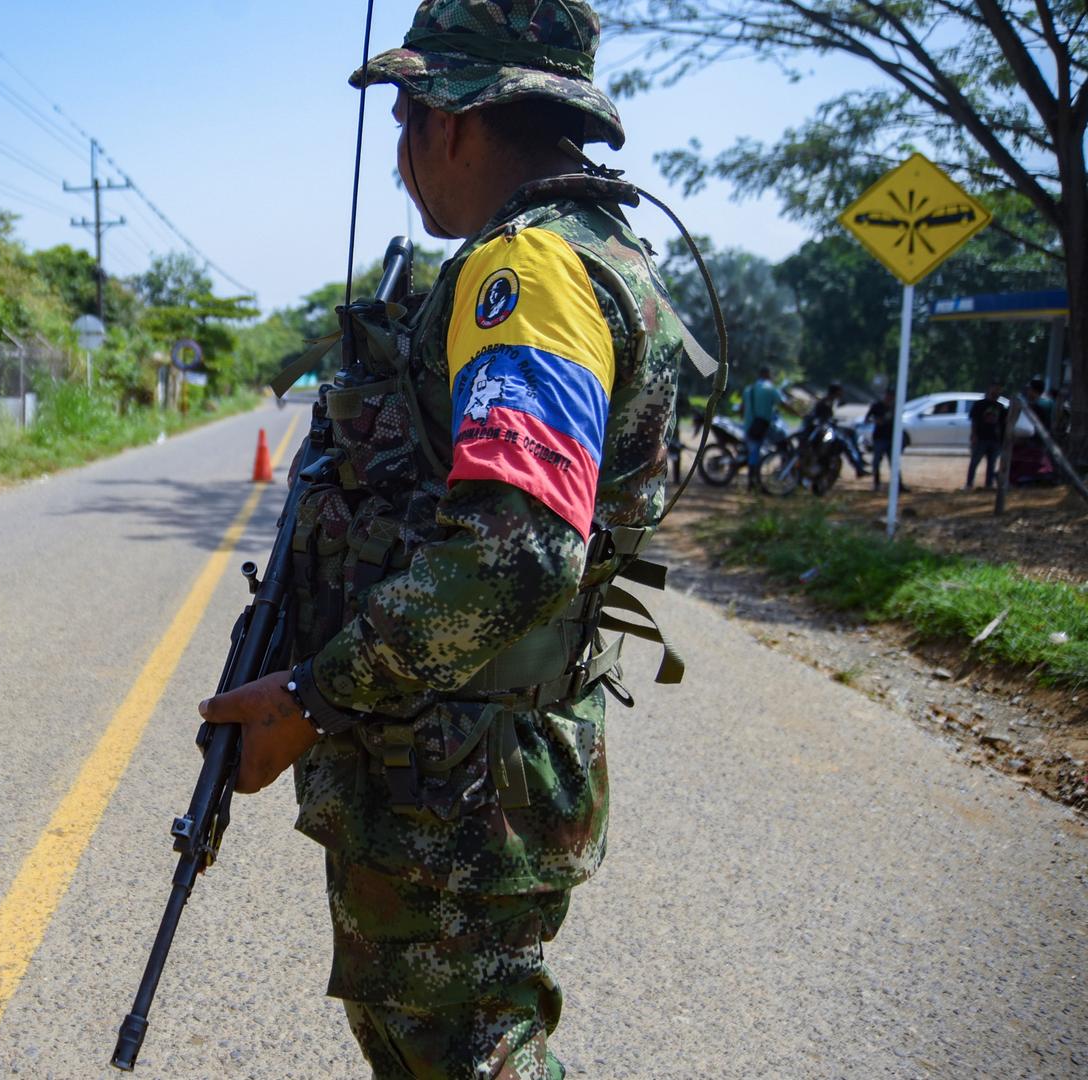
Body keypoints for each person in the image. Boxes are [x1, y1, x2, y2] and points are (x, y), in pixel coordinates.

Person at [197, 1, 692, 1073]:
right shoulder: (590, 253)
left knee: (470, 1052)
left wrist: (308, 696)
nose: (401, 156)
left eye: (405, 119)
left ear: (453, 120)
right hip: (462, 762)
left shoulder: (530, 276)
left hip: (459, 778)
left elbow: (516, 551)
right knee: (441, 1042)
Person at [739, 365, 786, 490]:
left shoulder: (749, 389)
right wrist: (798, 413)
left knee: (753, 452)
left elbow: (741, 408)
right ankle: (755, 481)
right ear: (767, 375)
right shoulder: (770, 389)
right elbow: (781, 404)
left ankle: (752, 480)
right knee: (781, 444)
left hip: (749, 426)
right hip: (762, 427)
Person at [966, 381, 1007, 490]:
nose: (996, 391)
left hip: (995, 440)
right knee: (974, 462)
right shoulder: (979, 404)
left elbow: (1003, 424)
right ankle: (969, 484)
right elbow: (974, 421)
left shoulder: (1001, 407)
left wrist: (1002, 440)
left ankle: (988, 485)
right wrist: (974, 435)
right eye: (995, 388)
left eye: (999, 389)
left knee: (992, 464)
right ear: (989, 389)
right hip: (981, 438)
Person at [866, 387, 903, 491]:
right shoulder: (877, 406)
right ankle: (876, 483)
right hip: (879, 438)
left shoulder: (895, 407)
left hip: (891, 438)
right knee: (876, 462)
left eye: (892, 396)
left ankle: (898, 484)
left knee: (894, 462)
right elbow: (867, 418)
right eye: (889, 396)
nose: (890, 398)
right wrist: (876, 420)